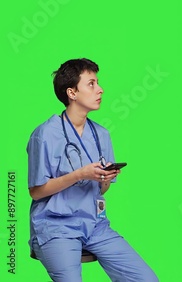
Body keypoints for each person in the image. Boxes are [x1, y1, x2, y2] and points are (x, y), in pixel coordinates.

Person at [27, 58, 158, 281]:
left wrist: (104, 178)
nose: (100, 89)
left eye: (98, 83)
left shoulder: (101, 134)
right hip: (56, 227)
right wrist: (80, 174)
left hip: (94, 225)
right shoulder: (45, 135)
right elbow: (37, 191)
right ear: (72, 93)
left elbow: (100, 191)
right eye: (91, 84)